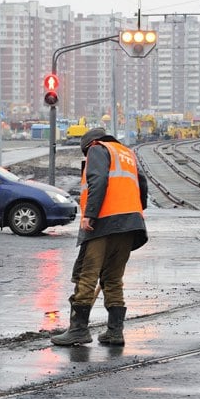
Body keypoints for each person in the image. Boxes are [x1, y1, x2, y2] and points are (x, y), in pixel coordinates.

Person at [52, 127, 148, 347]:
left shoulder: (97, 149)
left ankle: (78, 330)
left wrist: (91, 215)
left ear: (88, 145)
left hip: (103, 222)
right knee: (113, 278)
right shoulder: (125, 153)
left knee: (87, 274)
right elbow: (142, 185)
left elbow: (98, 180)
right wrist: (137, 212)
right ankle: (115, 333)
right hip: (130, 223)